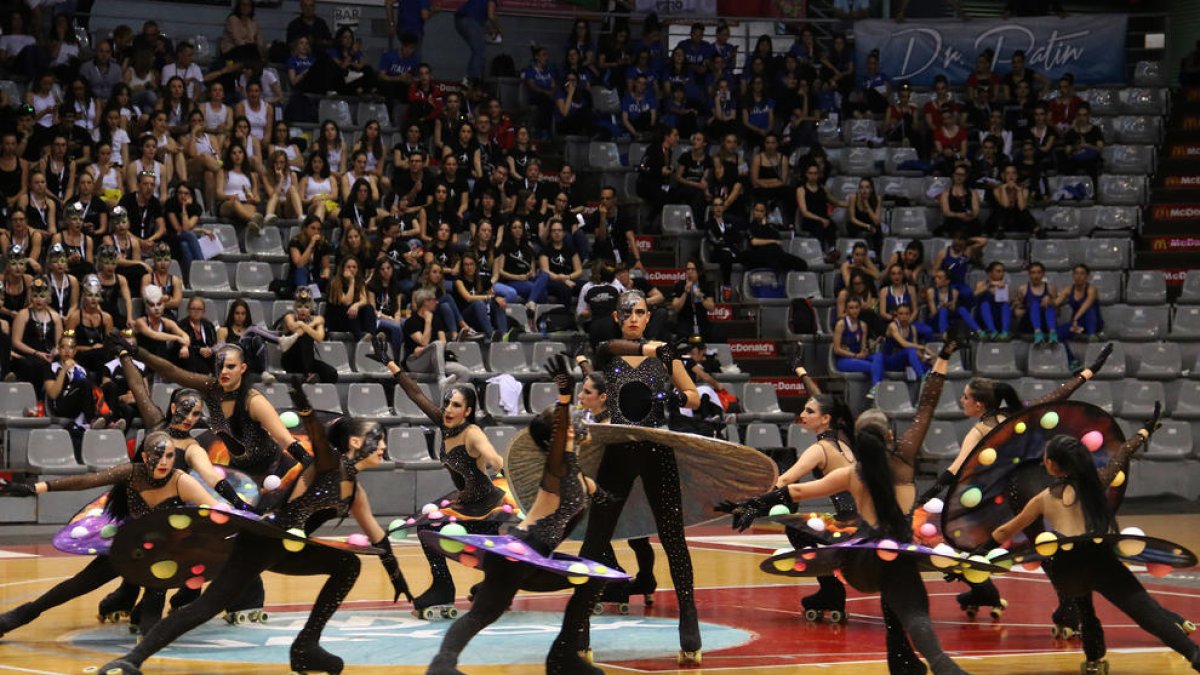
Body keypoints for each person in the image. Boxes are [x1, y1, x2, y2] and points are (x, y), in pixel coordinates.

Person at [94, 381, 408, 675]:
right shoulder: (328, 467)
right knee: (206, 606)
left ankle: (305, 647)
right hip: (259, 541)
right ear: (355, 442)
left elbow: (379, 540)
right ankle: (131, 660)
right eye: (377, 439)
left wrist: (399, 581)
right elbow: (316, 435)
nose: (382, 446)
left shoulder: (355, 493)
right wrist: (303, 404)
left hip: (287, 548)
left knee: (347, 565)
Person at [719, 337, 972, 675]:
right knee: (914, 614)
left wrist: (748, 505)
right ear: (890, 438)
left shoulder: (851, 472)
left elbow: (791, 491)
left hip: (862, 560)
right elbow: (927, 404)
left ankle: (904, 661)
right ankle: (939, 663)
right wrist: (944, 355)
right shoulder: (904, 463)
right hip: (897, 550)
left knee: (895, 616)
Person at [426, 356, 616, 673]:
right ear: (558, 437)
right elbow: (560, 449)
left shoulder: (577, 474)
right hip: (519, 553)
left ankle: (562, 656)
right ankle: (441, 666)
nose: (574, 423)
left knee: (592, 580)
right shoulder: (555, 470)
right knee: (483, 614)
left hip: (532, 558)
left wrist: (607, 496)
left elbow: (593, 486)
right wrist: (564, 397)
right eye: (565, 425)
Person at [547, 290, 704, 670]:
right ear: (618, 318)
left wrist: (675, 399)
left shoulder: (665, 354)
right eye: (627, 313)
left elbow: (695, 396)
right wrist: (661, 353)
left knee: (674, 539)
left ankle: (689, 618)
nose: (633, 317)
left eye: (640, 312)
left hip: (656, 450)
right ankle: (578, 628)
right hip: (617, 451)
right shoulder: (607, 351)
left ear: (648, 316)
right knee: (595, 541)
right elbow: (616, 348)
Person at [986, 422, 1200, 675]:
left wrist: (974, 555)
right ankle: (1194, 655)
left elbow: (1003, 532)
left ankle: (1093, 660)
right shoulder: (1096, 483)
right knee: (1148, 614)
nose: (1043, 463)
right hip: (1099, 562)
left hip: (1066, 569)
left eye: (1045, 459)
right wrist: (1142, 434)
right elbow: (1121, 455)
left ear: (1054, 464)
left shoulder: (1044, 498)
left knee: (1085, 611)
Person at [920, 345, 1114, 625]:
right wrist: (1090, 371)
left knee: (965, 541)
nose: (962, 401)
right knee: (1048, 546)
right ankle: (1067, 605)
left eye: (965, 397)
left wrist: (925, 497)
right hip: (1045, 484)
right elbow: (1060, 394)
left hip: (1009, 496)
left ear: (979, 405)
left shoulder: (979, 430)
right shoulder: (1017, 415)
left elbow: (954, 470)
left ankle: (986, 591)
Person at [0, 431, 228, 641]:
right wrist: (35, 488)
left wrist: (243, 515)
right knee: (75, 586)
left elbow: (216, 510)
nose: (164, 462)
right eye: (158, 456)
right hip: (128, 548)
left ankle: (139, 651)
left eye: (169, 456)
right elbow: (86, 481)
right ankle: (13, 619)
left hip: (161, 559)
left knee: (150, 621)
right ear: (145, 456)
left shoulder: (181, 481)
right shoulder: (131, 474)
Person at [366, 333, 506, 614]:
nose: (448, 409)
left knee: (430, 530)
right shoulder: (445, 424)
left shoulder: (472, 433)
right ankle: (488, 586)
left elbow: (491, 454)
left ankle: (447, 589)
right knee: (433, 531)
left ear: (467, 411)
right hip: (466, 500)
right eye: (447, 404)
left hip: (485, 505)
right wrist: (391, 364)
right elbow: (416, 393)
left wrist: (494, 460)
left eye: (456, 405)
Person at [926, 267, 980, 339]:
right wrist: (941, 306)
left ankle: (979, 331)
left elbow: (953, 309)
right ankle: (944, 334)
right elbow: (933, 313)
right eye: (935, 277)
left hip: (950, 319)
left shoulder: (954, 292)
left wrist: (950, 306)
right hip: (936, 320)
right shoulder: (931, 291)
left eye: (939, 278)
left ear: (947, 281)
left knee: (961, 309)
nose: (936, 280)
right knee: (943, 310)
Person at [669, 259, 714, 342]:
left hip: (701, 319)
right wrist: (685, 292)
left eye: (693, 269)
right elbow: (676, 307)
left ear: (699, 271)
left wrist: (700, 296)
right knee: (684, 335)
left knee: (716, 336)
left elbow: (711, 307)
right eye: (688, 269)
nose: (690, 272)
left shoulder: (705, 285)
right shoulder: (680, 285)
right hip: (685, 319)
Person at [454, 0, 499, 83]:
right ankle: (472, 79)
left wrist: (490, 30)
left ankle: (473, 77)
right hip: (469, 21)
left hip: (460, 20)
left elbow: (481, 18)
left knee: (478, 51)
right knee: (479, 51)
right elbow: (491, 16)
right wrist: (501, 30)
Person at [1015, 261, 1058, 344]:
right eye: (1033, 273)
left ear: (1043, 274)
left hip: (1046, 322)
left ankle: (1052, 333)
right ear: (1029, 275)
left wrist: (1051, 301)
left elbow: (1058, 311)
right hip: (1029, 323)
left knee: (1048, 304)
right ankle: (1037, 333)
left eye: (1039, 272)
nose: (1036, 276)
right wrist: (1028, 308)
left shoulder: (1050, 288)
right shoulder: (1023, 289)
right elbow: (1017, 311)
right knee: (1034, 304)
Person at [974, 261, 1013, 341]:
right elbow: (973, 296)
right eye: (998, 271)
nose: (1001, 274)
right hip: (983, 317)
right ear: (990, 273)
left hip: (998, 317)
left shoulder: (1004, 286)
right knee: (985, 304)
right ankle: (992, 331)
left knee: (1005, 305)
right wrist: (989, 286)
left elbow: (1008, 302)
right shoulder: (981, 284)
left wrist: (1000, 290)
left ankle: (1004, 332)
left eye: (1002, 271)